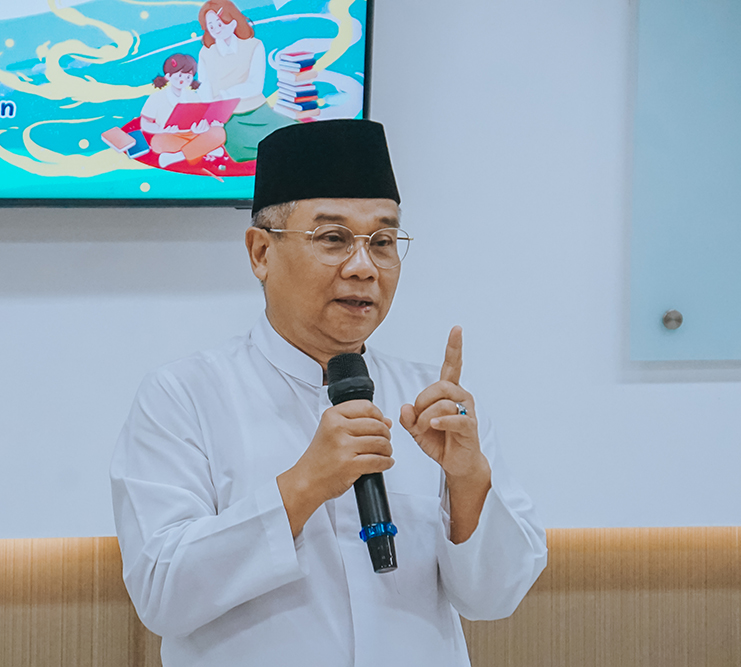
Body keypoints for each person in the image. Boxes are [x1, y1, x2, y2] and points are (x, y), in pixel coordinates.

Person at [110, 119, 547, 667]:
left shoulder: (434, 406)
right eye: (333, 239)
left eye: (382, 243)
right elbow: (161, 594)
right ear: (260, 252)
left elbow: (496, 598)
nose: (363, 268)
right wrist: (303, 486)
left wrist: (467, 480)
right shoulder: (183, 397)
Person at [195, 0, 292, 162]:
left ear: (233, 20)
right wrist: (209, 113)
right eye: (211, 26)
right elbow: (204, 85)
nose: (217, 29)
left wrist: (226, 94)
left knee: (291, 134)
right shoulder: (206, 53)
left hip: (257, 109)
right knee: (244, 150)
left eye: (220, 23)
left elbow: (255, 85)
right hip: (226, 117)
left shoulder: (254, 45)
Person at [140, 53, 226, 168]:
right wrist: (162, 129)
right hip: (169, 136)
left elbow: (200, 118)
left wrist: (201, 128)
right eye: (180, 75)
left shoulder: (193, 96)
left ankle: (178, 156)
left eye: (188, 77)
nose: (183, 80)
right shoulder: (157, 97)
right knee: (157, 143)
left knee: (219, 132)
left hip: (193, 134)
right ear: (168, 76)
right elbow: (145, 123)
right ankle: (204, 149)